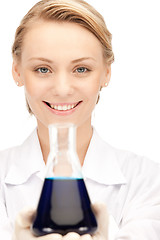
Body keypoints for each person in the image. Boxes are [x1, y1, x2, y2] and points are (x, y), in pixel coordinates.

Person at [0, 0, 160, 239]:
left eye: (81, 69)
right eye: (43, 69)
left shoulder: (147, 180)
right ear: (17, 71)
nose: (63, 89)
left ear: (106, 73)